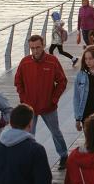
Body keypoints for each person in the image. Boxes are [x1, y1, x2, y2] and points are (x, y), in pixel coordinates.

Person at [14, 35, 69, 170]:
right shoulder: (25, 62)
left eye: (38, 47)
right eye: (32, 48)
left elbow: (62, 81)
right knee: (28, 135)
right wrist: (23, 99)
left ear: (43, 45)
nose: (35, 51)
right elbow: (18, 82)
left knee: (55, 132)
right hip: (29, 108)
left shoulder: (52, 61)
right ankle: (29, 159)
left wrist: (54, 99)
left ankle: (63, 156)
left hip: (48, 107)